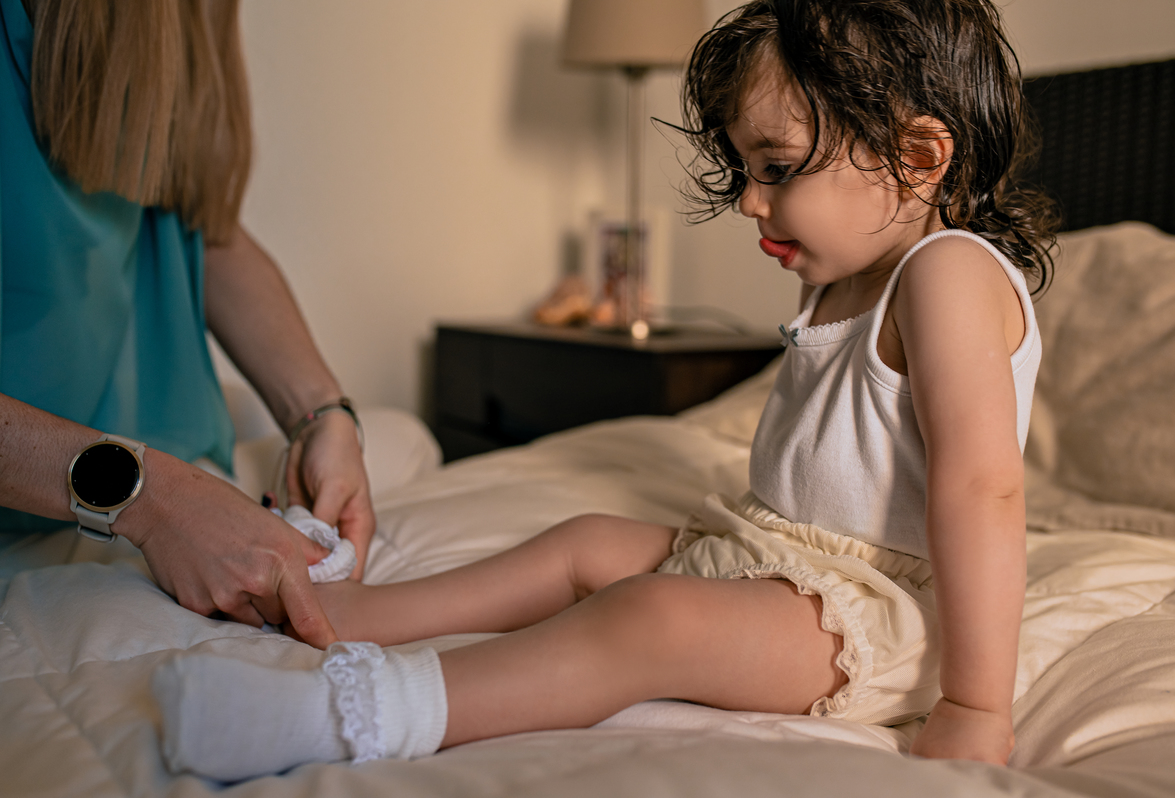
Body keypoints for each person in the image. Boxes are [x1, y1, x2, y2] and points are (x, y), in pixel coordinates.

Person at [153, 0, 1058, 780]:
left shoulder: (949, 275)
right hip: (771, 551)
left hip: (874, 606)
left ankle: (367, 713)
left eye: (777, 167)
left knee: (650, 615)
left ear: (920, 156)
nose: (749, 199)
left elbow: (983, 488)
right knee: (585, 543)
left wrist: (976, 703)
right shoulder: (843, 275)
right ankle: (356, 614)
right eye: (745, 169)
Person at [0, 0, 375, 648]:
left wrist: (322, 412)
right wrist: (150, 497)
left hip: (156, 466)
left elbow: (202, 221)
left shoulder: (179, 23)